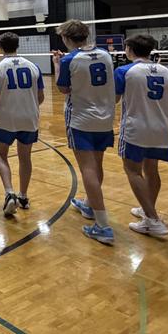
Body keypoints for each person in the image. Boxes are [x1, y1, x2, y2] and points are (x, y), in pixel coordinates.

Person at [53, 19, 117, 245]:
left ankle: (103, 225)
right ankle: (90, 204)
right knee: (97, 165)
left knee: (88, 169)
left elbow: (63, 89)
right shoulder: (107, 55)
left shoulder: (70, 59)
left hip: (81, 119)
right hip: (105, 118)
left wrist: (57, 65)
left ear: (66, 38)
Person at [115, 34, 168, 236]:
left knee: (132, 171)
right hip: (161, 128)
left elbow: (114, 100)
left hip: (135, 128)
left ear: (129, 49)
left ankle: (152, 219)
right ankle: (147, 207)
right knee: (152, 170)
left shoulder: (124, 71)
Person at [0, 32, 44, 216]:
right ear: (18, 45)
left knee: (0, 154)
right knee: (25, 157)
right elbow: (41, 97)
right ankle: (24, 196)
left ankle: (9, 193)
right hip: (29, 118)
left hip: (7, 118)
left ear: (1, 47)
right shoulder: (34, 66)